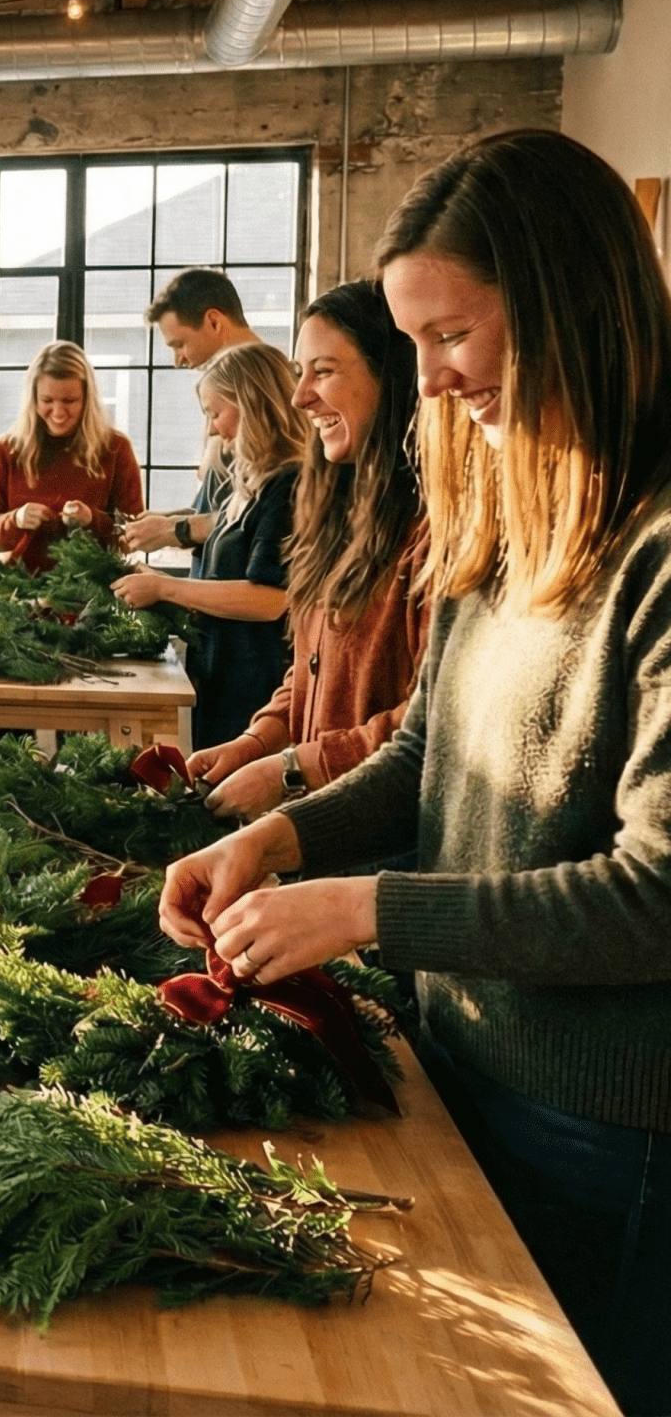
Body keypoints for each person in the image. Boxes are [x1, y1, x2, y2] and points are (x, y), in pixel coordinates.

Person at [158, 130, 671, 1417]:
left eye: (451, 337)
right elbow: (420, 752)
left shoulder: (657, 550)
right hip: (465, 1069)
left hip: (612, 1131)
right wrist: (273, 844)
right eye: (415, 344)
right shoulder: (504, 519)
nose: (432, 382)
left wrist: (365, 905)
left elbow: (654, 894)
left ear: (569, 303)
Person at [186, 280, 428, 820]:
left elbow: (433, 722)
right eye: (300, 374)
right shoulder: (334, 512)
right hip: (321, 829)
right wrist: (257, 742)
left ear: (392, 376)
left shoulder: (430, 533)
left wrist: (293, 768)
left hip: (385, 845)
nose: (301, 397)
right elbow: (311, 668)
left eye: (323, 372)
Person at [112, 340, 304, 750]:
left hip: (256, 685)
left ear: (251, 403)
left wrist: (165, 587)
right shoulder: (249, 482)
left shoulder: (288, 484)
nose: (214, 428)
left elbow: (270, 598)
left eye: (216, 413)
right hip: (222, 673)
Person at [123, 269, 266, 562]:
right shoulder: (225, 392)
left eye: (179, 344)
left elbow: (262, 519)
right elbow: (227, 507)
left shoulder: (268, 394)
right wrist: (167, 521)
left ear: (214, 321)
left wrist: (172, 530)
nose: (178, 360)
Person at [0, 340, 144, 573]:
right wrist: (15, 520)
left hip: (92, 590)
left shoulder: (116, 449)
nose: (58, 412)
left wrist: (91, 520)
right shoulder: (6, 451)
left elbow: (132, 535)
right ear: (33, 399)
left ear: (87, 399)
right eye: (47, 401)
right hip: (18, 590)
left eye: (69, 401)